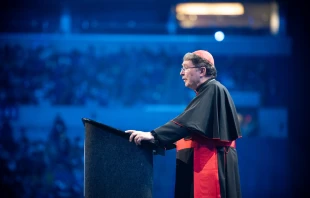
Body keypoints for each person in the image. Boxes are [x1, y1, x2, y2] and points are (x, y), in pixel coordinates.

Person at [125, 50, 242, 198]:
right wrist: (155, 141)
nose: (181, 73)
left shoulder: (214, 89)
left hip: (210, 165)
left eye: (185, 68)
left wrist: (153, 134)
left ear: (202, 70)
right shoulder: (206, 93)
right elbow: (188, 129)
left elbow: (188, 123)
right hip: (199, 162)